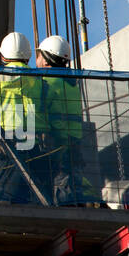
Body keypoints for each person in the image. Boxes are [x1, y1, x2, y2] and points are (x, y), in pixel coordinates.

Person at [0, 32, 52, 204]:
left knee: (6, 206)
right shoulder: (41, 82)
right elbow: (52, 117)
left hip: (4, 152)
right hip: (38, 149)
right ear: (28, 57)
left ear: (3, 56)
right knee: (42, 206)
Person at [36, 34, 91, 205]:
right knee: (72, 186)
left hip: (55, 145)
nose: (36, 60)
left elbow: (39, 113)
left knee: (57, 190)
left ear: (46, 60)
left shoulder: (46, 84)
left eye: (38, 55)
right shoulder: (71, 84)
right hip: (73, 144)